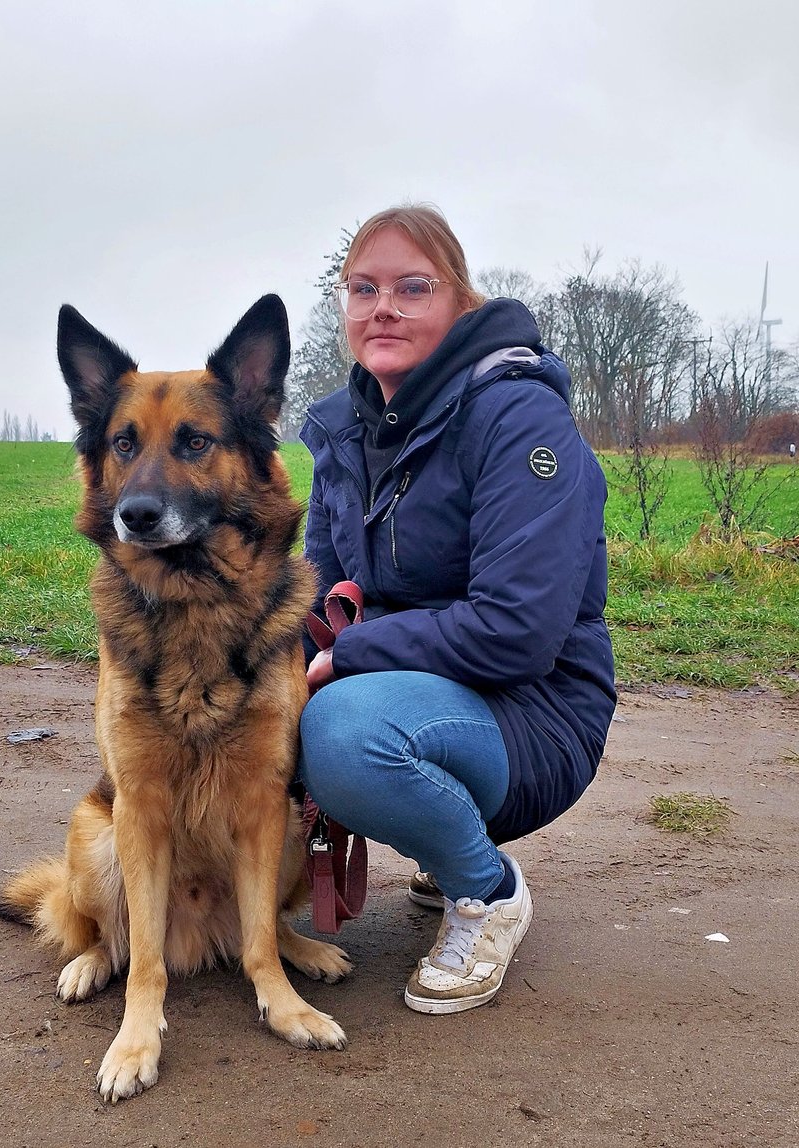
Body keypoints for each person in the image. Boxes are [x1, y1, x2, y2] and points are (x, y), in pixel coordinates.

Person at [298, 204, 617, 1015]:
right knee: (267, 701)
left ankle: (488, 889)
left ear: (460, 302)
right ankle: (442, 843)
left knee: (341, 732)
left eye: (413, 286)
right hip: (424, 692)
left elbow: (519, 628)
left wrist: (351, 659)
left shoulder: (519, 416)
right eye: (362, 288)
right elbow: (322, 594)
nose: (384, 307)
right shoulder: (343, 433)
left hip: (536, 709)